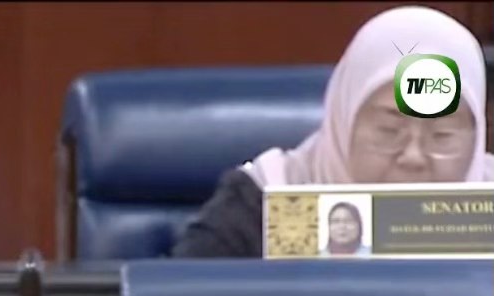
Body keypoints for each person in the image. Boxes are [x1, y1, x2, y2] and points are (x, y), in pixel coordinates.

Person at [173, 6, 490, 258]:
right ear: (344, 122)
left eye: (442, 136)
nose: (413, 157)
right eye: (389, 131)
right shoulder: (263, 200)